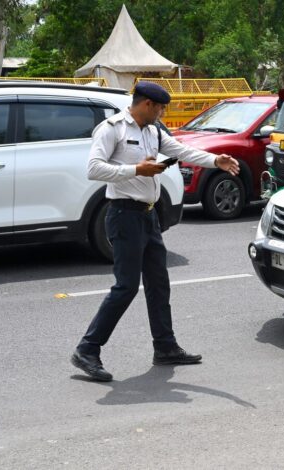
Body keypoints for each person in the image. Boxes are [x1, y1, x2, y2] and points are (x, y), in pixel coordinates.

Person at [71, 82, 240, 382]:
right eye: (161, 108)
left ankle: (165, 347)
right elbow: (93, 169)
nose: (163, 113)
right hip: (123, 215)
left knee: (158, 284)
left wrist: (216, 160)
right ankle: (87, 349)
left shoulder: (153, 131)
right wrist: (136, 170)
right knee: (125, 287)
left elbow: (181, 150)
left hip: (148, 217)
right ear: (147, 104)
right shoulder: (112, 129)